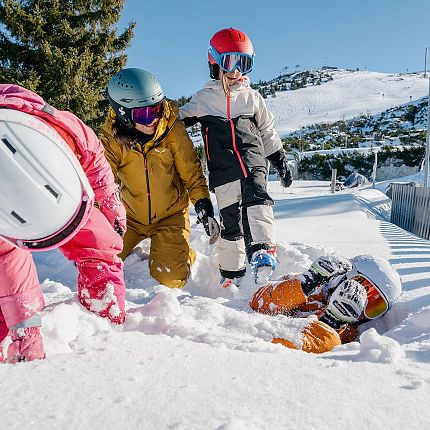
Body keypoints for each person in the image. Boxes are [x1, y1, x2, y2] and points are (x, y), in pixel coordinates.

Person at [0, 84, 127, 363]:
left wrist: (110, 205)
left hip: (59, 178)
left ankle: (105, 311)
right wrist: (25, 330)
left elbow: (98, 167)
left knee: (100, 241)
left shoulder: (69, 129)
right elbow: (9, 264)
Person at [180, 28, 293, 288]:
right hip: (223, 170)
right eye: (230, 62)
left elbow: (267, 130)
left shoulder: (252, 98)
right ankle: (232, 273)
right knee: (230, 219)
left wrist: (279, 158)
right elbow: (175, 122)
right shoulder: (203, 99)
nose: (236, 72)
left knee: (257, 200)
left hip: (254, 161)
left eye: (244, 64)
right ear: (214, 63)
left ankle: (263, 250)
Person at [100, 68, 218, 289]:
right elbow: (101, 183)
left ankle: (183, 254)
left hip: (170, 216)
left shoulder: (172, 127)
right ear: (124, 113)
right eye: (144, 114)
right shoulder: (111, 138)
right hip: (130, 217)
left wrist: (203, 204)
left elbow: (191, 171)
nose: (153, 118)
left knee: (170, 279)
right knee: (99, 260)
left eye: (156, 109)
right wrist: (103, 217)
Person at [250, 254, 403, 353]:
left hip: (270, 349)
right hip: (252, 330)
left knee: (332, 340)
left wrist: (333, 322)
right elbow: (258, 302)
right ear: (344, 277)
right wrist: (308, 283)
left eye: (374, 307)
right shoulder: (311, 290)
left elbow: (320, 351)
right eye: (360, 287)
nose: (359, 300)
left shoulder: (348, 331)